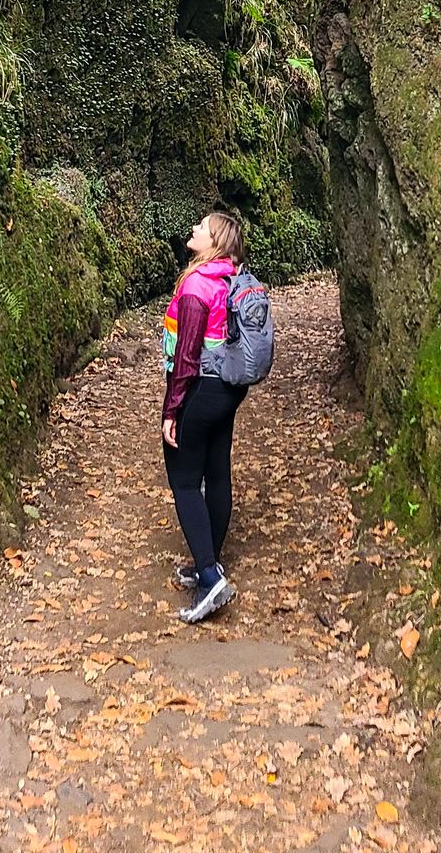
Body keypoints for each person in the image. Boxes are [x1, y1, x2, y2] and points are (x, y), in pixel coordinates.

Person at [161, 209, 248, 624]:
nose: (194, 229)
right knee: (217, 472)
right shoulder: (232, 277)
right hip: (227, 389)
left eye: (202, 227)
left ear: (214, 243)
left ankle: (210, 576)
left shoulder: (197, 285)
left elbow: (187, 357)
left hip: (199, 388)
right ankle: (207, 559)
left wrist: (172, 409)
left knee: (183, 480)